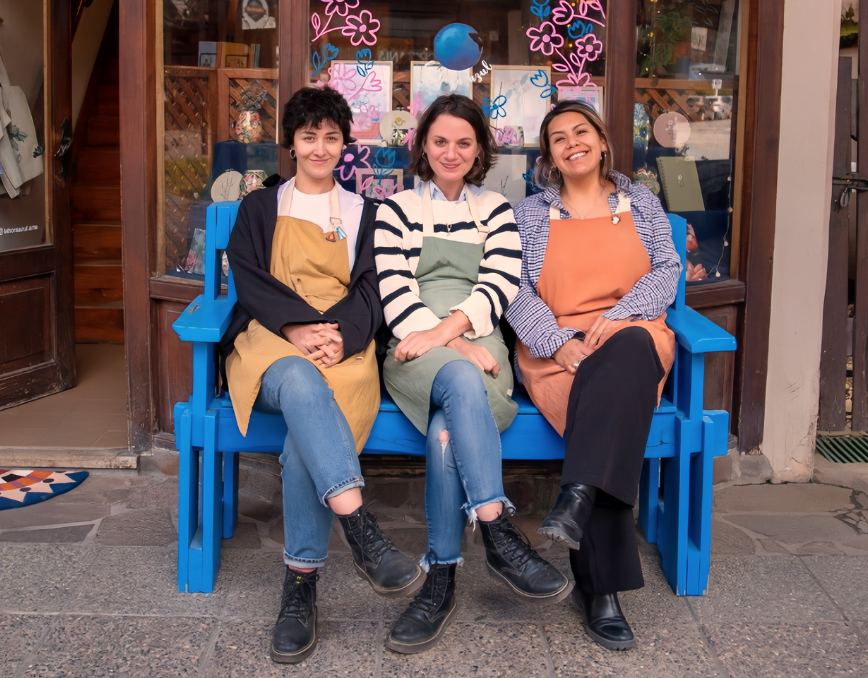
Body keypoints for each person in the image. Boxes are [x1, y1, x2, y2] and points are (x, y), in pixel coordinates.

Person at [223, 86, 422, 664]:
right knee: (302, 384)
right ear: (291, 142)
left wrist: (337, 333)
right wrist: (295, 329)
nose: (318, 147)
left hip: (343, 343)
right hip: (271, 338)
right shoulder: (261, 207)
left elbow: (372, 288)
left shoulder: (366, 212)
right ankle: (360, 529)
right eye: (308, 136)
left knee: (300, 446)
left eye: (330, 136)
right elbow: (249, 279)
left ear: (344, 144)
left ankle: (300, 586)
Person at [374, 94, 572, 654]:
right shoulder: (395, 211)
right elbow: (395, 294)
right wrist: (451, 342)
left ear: (480, 149)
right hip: (414, 346)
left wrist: (459, 335)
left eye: (464, 142)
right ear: (423, 146)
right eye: (440, 141)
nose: (451, 152)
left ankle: (440, 580)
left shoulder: (497, 210)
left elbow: (500, 285)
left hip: (483, 337)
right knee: (460, 379)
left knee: (444, 434)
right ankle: (497, 528)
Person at [506, 100, 681, 651]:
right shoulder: (529, 215)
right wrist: (559, 344)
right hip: (558, 352)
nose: (572, 142)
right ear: (549, 156)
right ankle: (599, 583)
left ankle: (579, 497)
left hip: (633, 335)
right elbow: (514, 290)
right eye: (558, 138)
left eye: (581, 132)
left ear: (603, 141)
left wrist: (623, 314)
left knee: (624, 357)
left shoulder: (642, 202)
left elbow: (668, 269)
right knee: (608, 404)